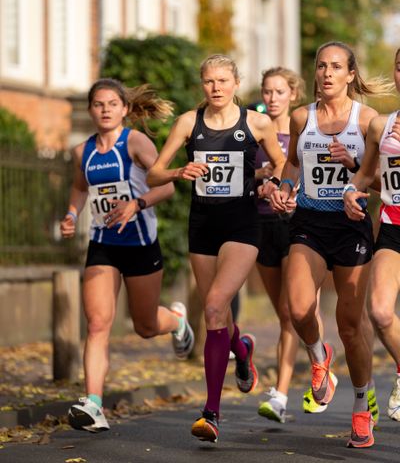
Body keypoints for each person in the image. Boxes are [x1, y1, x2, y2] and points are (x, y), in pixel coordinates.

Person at [147, 54, 286, 443]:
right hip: (203, 224)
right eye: (209, 81)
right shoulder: (188, 123)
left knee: (211, 308)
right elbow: (155, 171)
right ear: (202, 84)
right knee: (217, 312)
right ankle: (241, 349)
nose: (216, 88)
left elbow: (280, 161)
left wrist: (271, 181)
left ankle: (211, 414)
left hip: (242, 224)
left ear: (236, 83)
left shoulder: (256, 123)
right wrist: (178, 171)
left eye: (223, 80)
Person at [268, 41, 391, 448]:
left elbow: (378, 181)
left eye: (336, 67)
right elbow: (291, 164)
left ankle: (360, 407)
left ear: (351, 75)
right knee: (299, 308)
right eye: (321, 66)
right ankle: (320, 358)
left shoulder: (369, 121)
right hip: (309, 221)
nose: (326, 73)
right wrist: (286, 186)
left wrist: (352, 166)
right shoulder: (302, 118)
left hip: (351, 226)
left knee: (351, 326)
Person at [60, 79, 194, 433]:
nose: (104, 109)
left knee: (145, 326)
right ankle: (93, 404)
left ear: (124, 109)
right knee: (98, 323)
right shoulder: (81, 151)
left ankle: (177, 322)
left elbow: (165, 184)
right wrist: (73, 214)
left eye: (111, 104)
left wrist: (136, 204)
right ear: (90, 110)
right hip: (103, 244)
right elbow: (79, 187)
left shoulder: (134, 142)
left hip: (140, 243)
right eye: (98, 104)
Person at [254, 67, 328, 423]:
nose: (271, 98)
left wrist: (287, 183)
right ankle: (320, 363)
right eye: (267, 91)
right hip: (262, 223)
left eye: (278, 92)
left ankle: (281, 394)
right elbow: (242, 174)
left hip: (298, 225)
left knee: (290, 312)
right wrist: (261, 180)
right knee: (285, 313)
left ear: (292, 95)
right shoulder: (254, 131)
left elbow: (309, 170)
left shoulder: (302, 130)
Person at [343, 47, 400, 423]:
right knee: (379, 311)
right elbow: (366, 174)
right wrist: (352, 189)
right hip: (394, 226)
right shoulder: (383, 125)